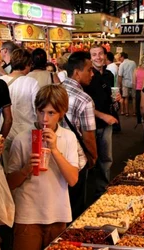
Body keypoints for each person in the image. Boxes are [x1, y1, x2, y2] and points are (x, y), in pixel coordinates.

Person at [7, 85, 79, 250]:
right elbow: (9, 183)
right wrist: (26, 169)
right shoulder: (21, 139)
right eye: (41, 111)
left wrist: (54, 149)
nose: (44, 119)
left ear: (62, 113)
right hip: (27, 215)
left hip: (58, 213)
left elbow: (73, 179)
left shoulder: (68, 137)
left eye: (51, 113)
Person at [60, 51, 97, 219]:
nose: (92, 74)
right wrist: (93, 157)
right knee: (75, 205)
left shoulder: (54, 91)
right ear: (76, 72)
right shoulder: (85, 99)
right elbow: (88, 136)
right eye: (89, 70)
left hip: (55, 156)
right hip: (75, 159)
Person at [85, 45, 118, 200]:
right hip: (89, 125)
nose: (98, 57)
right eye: (94, 55)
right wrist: (103, 116)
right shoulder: (87, 77)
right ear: (90, 58)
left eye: (100, 54)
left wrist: (116, 100)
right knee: (89, 159)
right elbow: (86, 105)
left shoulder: (110, 75)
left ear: (105, 56)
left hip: (106, 125)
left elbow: (110, 97)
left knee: (106, 158)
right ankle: (86, 194)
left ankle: (102, 190)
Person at [0, 49, 40, 167]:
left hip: (5, 135)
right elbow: (37, 109)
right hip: (26, 135)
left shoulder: (0, 81)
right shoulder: (31, 82)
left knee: (8, 171)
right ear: (28, 64)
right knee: (26, 170)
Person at [117, 52, 137, 116]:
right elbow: (136, 72)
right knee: (134, 98)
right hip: (133, 82)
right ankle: (134, 112)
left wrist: (120, 85)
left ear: (123, 57)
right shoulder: (133, 62)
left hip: (125, 83)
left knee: (126, 98)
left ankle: (127, 112)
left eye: (120, 57)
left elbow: (120, 76)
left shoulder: (122, 64)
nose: (120, 59)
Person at [133, 55, 144, 124]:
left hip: (138, 90)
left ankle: (139, 120)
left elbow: (134, 82)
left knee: (138, 105)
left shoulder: (136, 70)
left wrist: (135, 89)